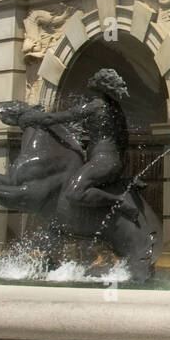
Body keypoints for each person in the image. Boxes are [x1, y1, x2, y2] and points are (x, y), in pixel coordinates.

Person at [29, 68, 138, 223]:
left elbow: (62, 117)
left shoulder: (95, 106)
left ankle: (118, 202)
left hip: (102, 162)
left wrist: (37, 117)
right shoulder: (116, 109)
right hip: (113, 162)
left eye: (94, 78)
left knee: (74, 192)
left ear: (100, 86)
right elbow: (123, 137)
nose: (90, 80)